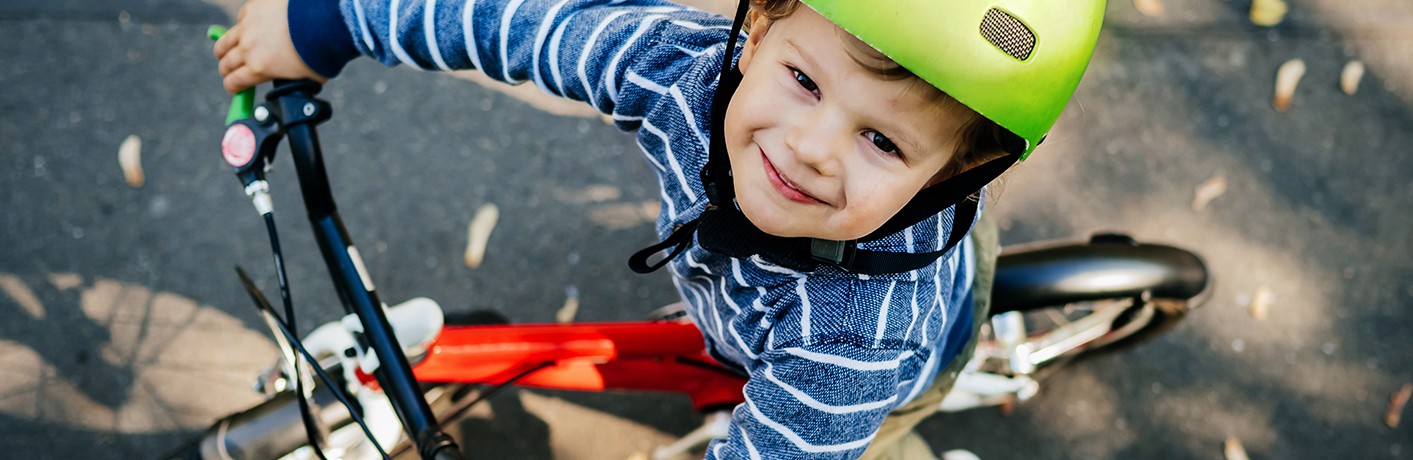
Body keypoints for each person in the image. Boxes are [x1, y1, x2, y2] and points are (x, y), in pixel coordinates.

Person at [214, 0, 1100, 458]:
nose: (811, 148)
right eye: (804, 81)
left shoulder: (858, 342)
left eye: (881, 139)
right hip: (736, 292)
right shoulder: (673, 71)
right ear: (757, 26)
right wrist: (327, 21)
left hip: (883, 367)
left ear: (950, 177)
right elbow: (520, 24)